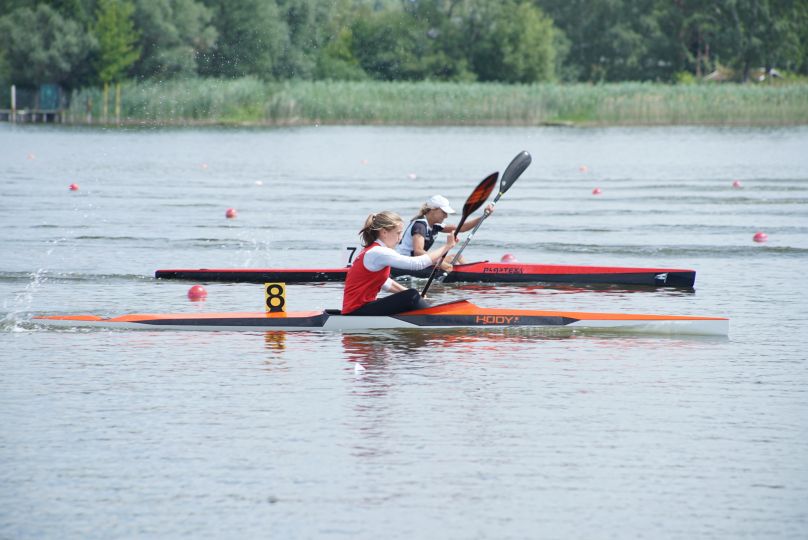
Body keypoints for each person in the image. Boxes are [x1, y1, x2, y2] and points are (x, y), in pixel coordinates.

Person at [342, 211, 457, 316]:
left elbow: (385, 282)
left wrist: (416, 294)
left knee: (411, 294)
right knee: (411, 296)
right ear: (384, 232)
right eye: (398, 233)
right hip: (356, 311)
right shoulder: (378, 252)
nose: (400, 238)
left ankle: (430, 317)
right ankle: (436, 319)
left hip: (358, 309)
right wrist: (447, 246)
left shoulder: (374, 251)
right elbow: (417, 264)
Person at [396, 194, 493, 269]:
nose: (446, 216)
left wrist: (483, 217)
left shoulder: (435, 225)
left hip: (417, 262)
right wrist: (440, 263)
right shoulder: (420, 225)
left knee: (456, 257)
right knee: (447, 262)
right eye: (444, 212)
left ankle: (473, 272)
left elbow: (461, 228)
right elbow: (418, 252)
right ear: (433, 209)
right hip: (406, 264)